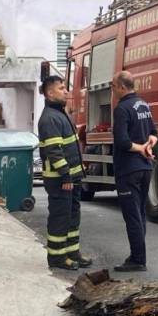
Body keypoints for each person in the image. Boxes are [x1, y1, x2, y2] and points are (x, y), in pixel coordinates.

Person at [38, 75, 92, 270]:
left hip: (72, 178)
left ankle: (72, 252)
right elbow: (54, 151)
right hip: (61, 180)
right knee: (60, 219)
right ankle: (57, 258)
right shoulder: (50, 118)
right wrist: (66, 176)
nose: (66, 91)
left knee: (72, 216)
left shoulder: (60, 114)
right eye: (61, 88)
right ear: (50, 93)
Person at [111, 71, 158, 272]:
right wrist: (149, 144)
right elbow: (154, 134)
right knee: (139, 213)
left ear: (122, 87)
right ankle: (137, 254)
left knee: (132, 216)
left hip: (128, 169)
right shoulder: (143, 105)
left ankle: (138, 259)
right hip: (145, 168)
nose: (112, 91)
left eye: (114, 87)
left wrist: (140, 147)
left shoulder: (122, 109)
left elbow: (122, 141)